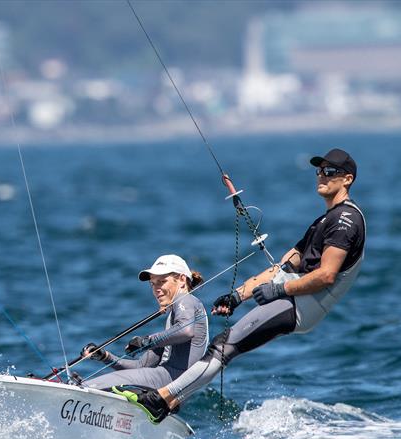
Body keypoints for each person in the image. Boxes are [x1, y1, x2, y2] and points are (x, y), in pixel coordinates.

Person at [135, 148, 366, 423]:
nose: (321, 176)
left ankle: (159, 400)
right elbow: (282, 268)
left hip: (303, 304)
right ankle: (167, 402)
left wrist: (280, 291)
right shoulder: (324, 220)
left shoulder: (345, 220)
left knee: (223, 347)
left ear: (347, 179)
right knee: (225, 346)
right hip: (294, 300)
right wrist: (237, 296)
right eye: (319, 170)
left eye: (330, 171)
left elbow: (326, 276)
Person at [80, 254, 208, 392]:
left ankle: (78, 389)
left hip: (171, 380)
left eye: (162, 281)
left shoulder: (185, 299)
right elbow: (141, 367)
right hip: (167, 384)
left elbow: (186, 331)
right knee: (118, 379)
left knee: (91, 386)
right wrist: (105, 357)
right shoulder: (174, 317)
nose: (156, 288)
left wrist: (146, 341)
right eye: (153, 283)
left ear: (182, 279)